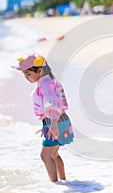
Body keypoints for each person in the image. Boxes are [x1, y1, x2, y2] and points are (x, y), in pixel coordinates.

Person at [12, 53, 74, 182]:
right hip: (61, 120)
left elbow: (52, 104)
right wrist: (48, 124)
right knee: (53, 154)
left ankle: (55, 184)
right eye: (24, 75)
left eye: (28, 74)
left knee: (45, 155)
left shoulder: (45, 85)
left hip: (56, 121)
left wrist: (53, 124)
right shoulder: (49, 82)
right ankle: (63, 181)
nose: (26, 78)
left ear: (39, 70)